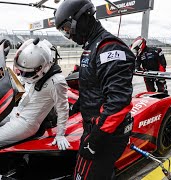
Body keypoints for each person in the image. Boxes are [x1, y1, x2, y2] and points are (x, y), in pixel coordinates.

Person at [54, 0, 135, 179]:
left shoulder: (109, 48)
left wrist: (95, 140)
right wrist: (77, 106)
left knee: (83, 175)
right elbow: (92, 85)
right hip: (98, 128)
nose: (69, 35)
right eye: (64, 31)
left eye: (68, 28)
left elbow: (118, 103)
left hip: (105, 135)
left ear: (81, 19)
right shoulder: (92, 46)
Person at [0, 38, 71, 153]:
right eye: (22, 71)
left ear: (42, 67)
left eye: (27, 72)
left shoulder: (57, 82)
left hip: (26, 124)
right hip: (15, 111)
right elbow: (16, 80)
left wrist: (60, 134)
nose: (24, 75)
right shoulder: (33, 73)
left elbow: (63, 110)